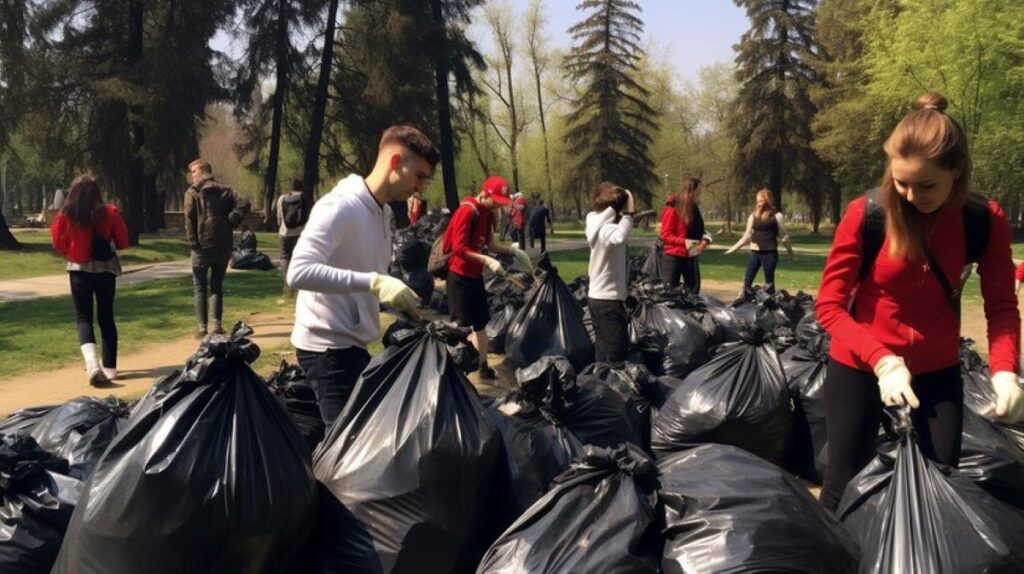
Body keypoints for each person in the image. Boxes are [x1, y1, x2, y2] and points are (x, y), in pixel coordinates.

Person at [815, 91, 1023, 512]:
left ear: (958, 172)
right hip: (860, 366)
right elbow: (829, 306)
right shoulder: (866, 214)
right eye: (900, 182)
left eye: (927, 185)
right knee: (843, 482)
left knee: (937, 484)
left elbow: (1001, 305)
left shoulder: (984, 219)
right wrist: (883, 360)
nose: (911, 196)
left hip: (936, 370)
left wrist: (1004, 371)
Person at [286, 125, 432, 424]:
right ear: (394, 162)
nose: (420, 187)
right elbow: (298, 271)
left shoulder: (384, 212)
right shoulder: (340, 206)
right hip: (326, 349)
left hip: (354, 345)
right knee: (344, 451)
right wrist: (374, 282)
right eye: (418, 175)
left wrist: (396, 294)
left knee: (356, 440)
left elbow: (367, 270)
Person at [444, 175, 534, 380]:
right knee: (461, 325)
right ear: (484, 194)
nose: (497, 206)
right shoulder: (467, 211)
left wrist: (510, 251)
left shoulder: (487, 214)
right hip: (459, 277)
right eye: (495, 201)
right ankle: (455, 371)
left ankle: (483, 367)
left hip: (475, 276)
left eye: (501, 203)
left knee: (481, 324)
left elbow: (490, 245)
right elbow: (458, 248)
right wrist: (486, 260)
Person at [50, 174, 129, 386]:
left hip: (78, 268)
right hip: (105, 269)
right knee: (106, 315)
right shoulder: (110, 212)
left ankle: (93, 363)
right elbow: (123, 241)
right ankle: (111, 368)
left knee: (83, 317)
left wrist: (72, 251)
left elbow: (57, 241)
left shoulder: (67, 214)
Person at [184, 159, 251, 339]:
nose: (192, 175)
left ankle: (202, 327)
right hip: (223, 245)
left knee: (199, 286)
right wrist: (231, 220)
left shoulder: (193, 193)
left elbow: (189, 219)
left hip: (201, 246)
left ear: (203, 171)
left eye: (194, 171)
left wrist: (193, 242)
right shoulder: (226, 190)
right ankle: (217, 325)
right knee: (216, 286)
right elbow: (244, 203)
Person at [586, 182, 635, 364]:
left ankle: (600, 384)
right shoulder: (606, 229)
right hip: (608, 301)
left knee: (602, 348)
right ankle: (613, 387)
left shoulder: (594, 221)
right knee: (616, 354)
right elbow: (620, 236)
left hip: (597, 298)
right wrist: (629, 214)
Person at [723, 188, 794, 293]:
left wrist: (790, 252)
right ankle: (742, 303)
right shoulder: (753, 216)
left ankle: (770, 307)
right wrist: (732, 249)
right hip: (755, 253)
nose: (759, 203)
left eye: (761, 200)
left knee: (769, 284)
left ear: (768, 200)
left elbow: (784, 237)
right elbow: (746, 236)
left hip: (770, 254)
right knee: (747, 283)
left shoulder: (777, 216)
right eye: (758, 201)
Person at [660, 178, 712, 292]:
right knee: (669, 291)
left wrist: (705, 239)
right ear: (692, 190)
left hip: (691, 252)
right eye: (698, 190)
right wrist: (684, 242)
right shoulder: (672, 208)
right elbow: (666, 235)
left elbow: (698, 230)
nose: (699, 194)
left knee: (693, 290)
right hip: (673, 254)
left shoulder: (694, 208)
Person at [276, 177, 306, 290]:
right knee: (298, 256)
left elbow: (279, 218)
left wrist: (281, 227)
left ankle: (287, 283)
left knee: (284, 257)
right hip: (300, 233)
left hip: (285, 232)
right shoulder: (303, 198)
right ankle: (298, 282)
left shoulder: (282, 199)